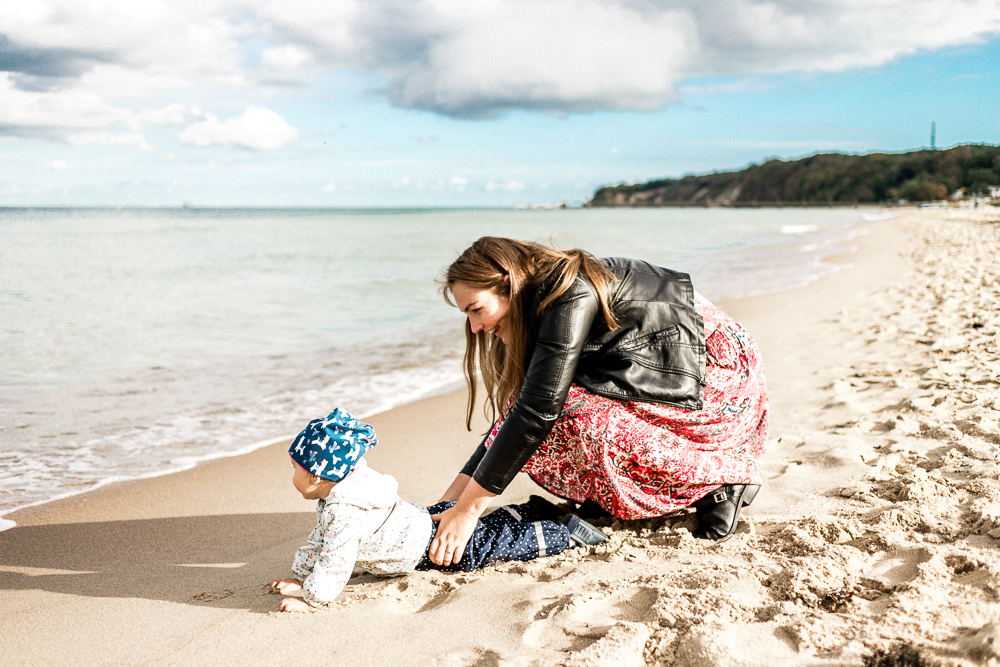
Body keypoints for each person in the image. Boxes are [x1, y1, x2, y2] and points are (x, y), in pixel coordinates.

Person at [428, 237, 768, 568]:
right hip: (673, 376)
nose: (474, 327)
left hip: (719, 380)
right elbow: (510, 420)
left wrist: (468, 512)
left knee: (563, 411)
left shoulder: (568, 289)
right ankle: (630, 495)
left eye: (476, 310)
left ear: (508, 283)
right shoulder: (543, 299)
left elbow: (537, 412)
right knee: (536, 407)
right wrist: (448, 505)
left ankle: (720, 484)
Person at [269, 408, 608, 612]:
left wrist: (312, 597)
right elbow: (321, 540)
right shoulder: (350, 485)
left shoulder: (344, 509)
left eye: (295, 468)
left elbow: (336, 558)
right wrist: (300, 576)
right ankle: (533, 509)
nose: (292, 475)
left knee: (492, 544)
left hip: (429, 548)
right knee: (486, 527)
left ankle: (566, 534)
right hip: (429, 518)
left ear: (316, 476)